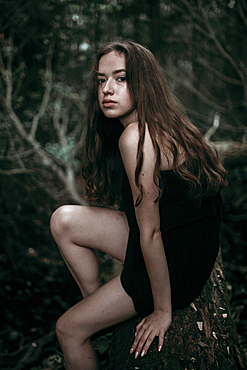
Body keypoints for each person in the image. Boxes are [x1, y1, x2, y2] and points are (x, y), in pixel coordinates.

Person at [50, 40, 227, 370]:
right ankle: (100, 311)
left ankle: (94, 321)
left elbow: (151, 233)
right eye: (101, 80)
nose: (107, 89)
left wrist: (162, 311)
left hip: (175, 266)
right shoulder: (168, 123)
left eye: (120, 78)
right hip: (192, 245)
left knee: (69, 330)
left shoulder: (136, 138)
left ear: (143, 82)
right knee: (64, 220)